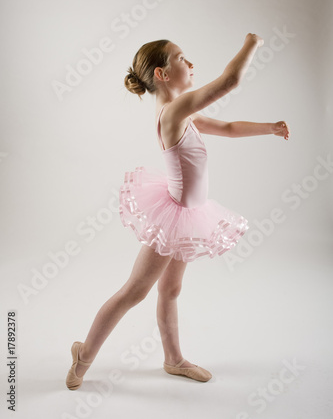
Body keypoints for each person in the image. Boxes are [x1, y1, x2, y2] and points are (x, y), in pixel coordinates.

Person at [66, 33, 290, 389]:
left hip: (188, 216)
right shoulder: (174, 111)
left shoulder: (183, 113)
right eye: (181, 58)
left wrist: (270, 129)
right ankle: (84, 356)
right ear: (162, 74)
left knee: (170, 291)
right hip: (173, 217)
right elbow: (230, 82)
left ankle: (174, 360)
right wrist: (252, 44)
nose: (190, 64)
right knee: (134, 292)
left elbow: (229, 129)